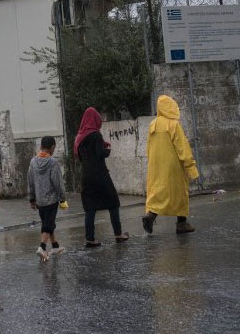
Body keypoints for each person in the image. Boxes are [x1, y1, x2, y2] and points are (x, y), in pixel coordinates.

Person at [142, 95, 199, 235]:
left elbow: (149, 147)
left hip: (157, 165)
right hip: (174, 166)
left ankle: (151, 216)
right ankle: (181, 223)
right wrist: (191, 167)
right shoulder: (173, 125)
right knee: (179, 193)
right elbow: (183, 147)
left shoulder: (153, 124)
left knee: (159, 192)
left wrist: (152, 162)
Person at [74, 107, 129, 247]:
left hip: (86, 175)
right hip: (100, 174)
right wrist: (108, 149)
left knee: (90, 208)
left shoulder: (79, 137)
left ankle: (90, 239)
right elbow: (101, 154)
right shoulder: (96, 135)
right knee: (113, 202)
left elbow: (80, 157)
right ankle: (118, 234)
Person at [27, 136, 68, 261]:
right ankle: (42, 247)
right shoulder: (53, 163)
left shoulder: (33, 161)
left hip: (39, 200)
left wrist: (32, 198)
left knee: (48, 223)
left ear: (41, 147)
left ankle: (55, 245)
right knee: (48, 224)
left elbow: (30, 181)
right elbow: (58, 182)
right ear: (52, 147)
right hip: (51, 199)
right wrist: (62, 197)